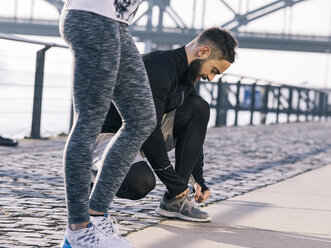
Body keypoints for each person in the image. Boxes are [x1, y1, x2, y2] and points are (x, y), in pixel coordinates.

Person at [92, 27, 238, 222]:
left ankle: (174, 203)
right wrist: (173, 182)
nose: (210, 78)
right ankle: (92, 177)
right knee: (140, 183)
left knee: (199, 108)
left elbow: (193, 134)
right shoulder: (158, 68)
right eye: (213, 71)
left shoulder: (186, 76)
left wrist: (199, 181)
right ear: (203, 52)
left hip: (140, 135)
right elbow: (148, 128)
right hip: (109, 137)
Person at [59, 1, 156, 247]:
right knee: (89, 121)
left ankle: (96, 215)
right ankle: (78, 231)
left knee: (142, 119)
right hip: (93, 15)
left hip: (119, 23)